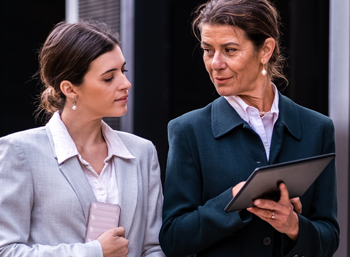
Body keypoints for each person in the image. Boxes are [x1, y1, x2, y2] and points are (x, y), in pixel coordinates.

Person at [159, 0, 339, 256]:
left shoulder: (317, 128)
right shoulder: (188, 130)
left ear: (265, 50)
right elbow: (174, 239)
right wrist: (235, 198)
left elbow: (330, 237)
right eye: (208, 50)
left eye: (230, 50)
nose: (215, 63)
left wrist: (293, 225)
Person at [0, 20, 165, 257]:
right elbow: (6, 250)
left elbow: (153, 247)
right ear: (69, 89)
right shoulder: (19, 152)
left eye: (123, 71)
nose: (126, 83)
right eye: (109, 77)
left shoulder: (142, 152)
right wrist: (94, 252)